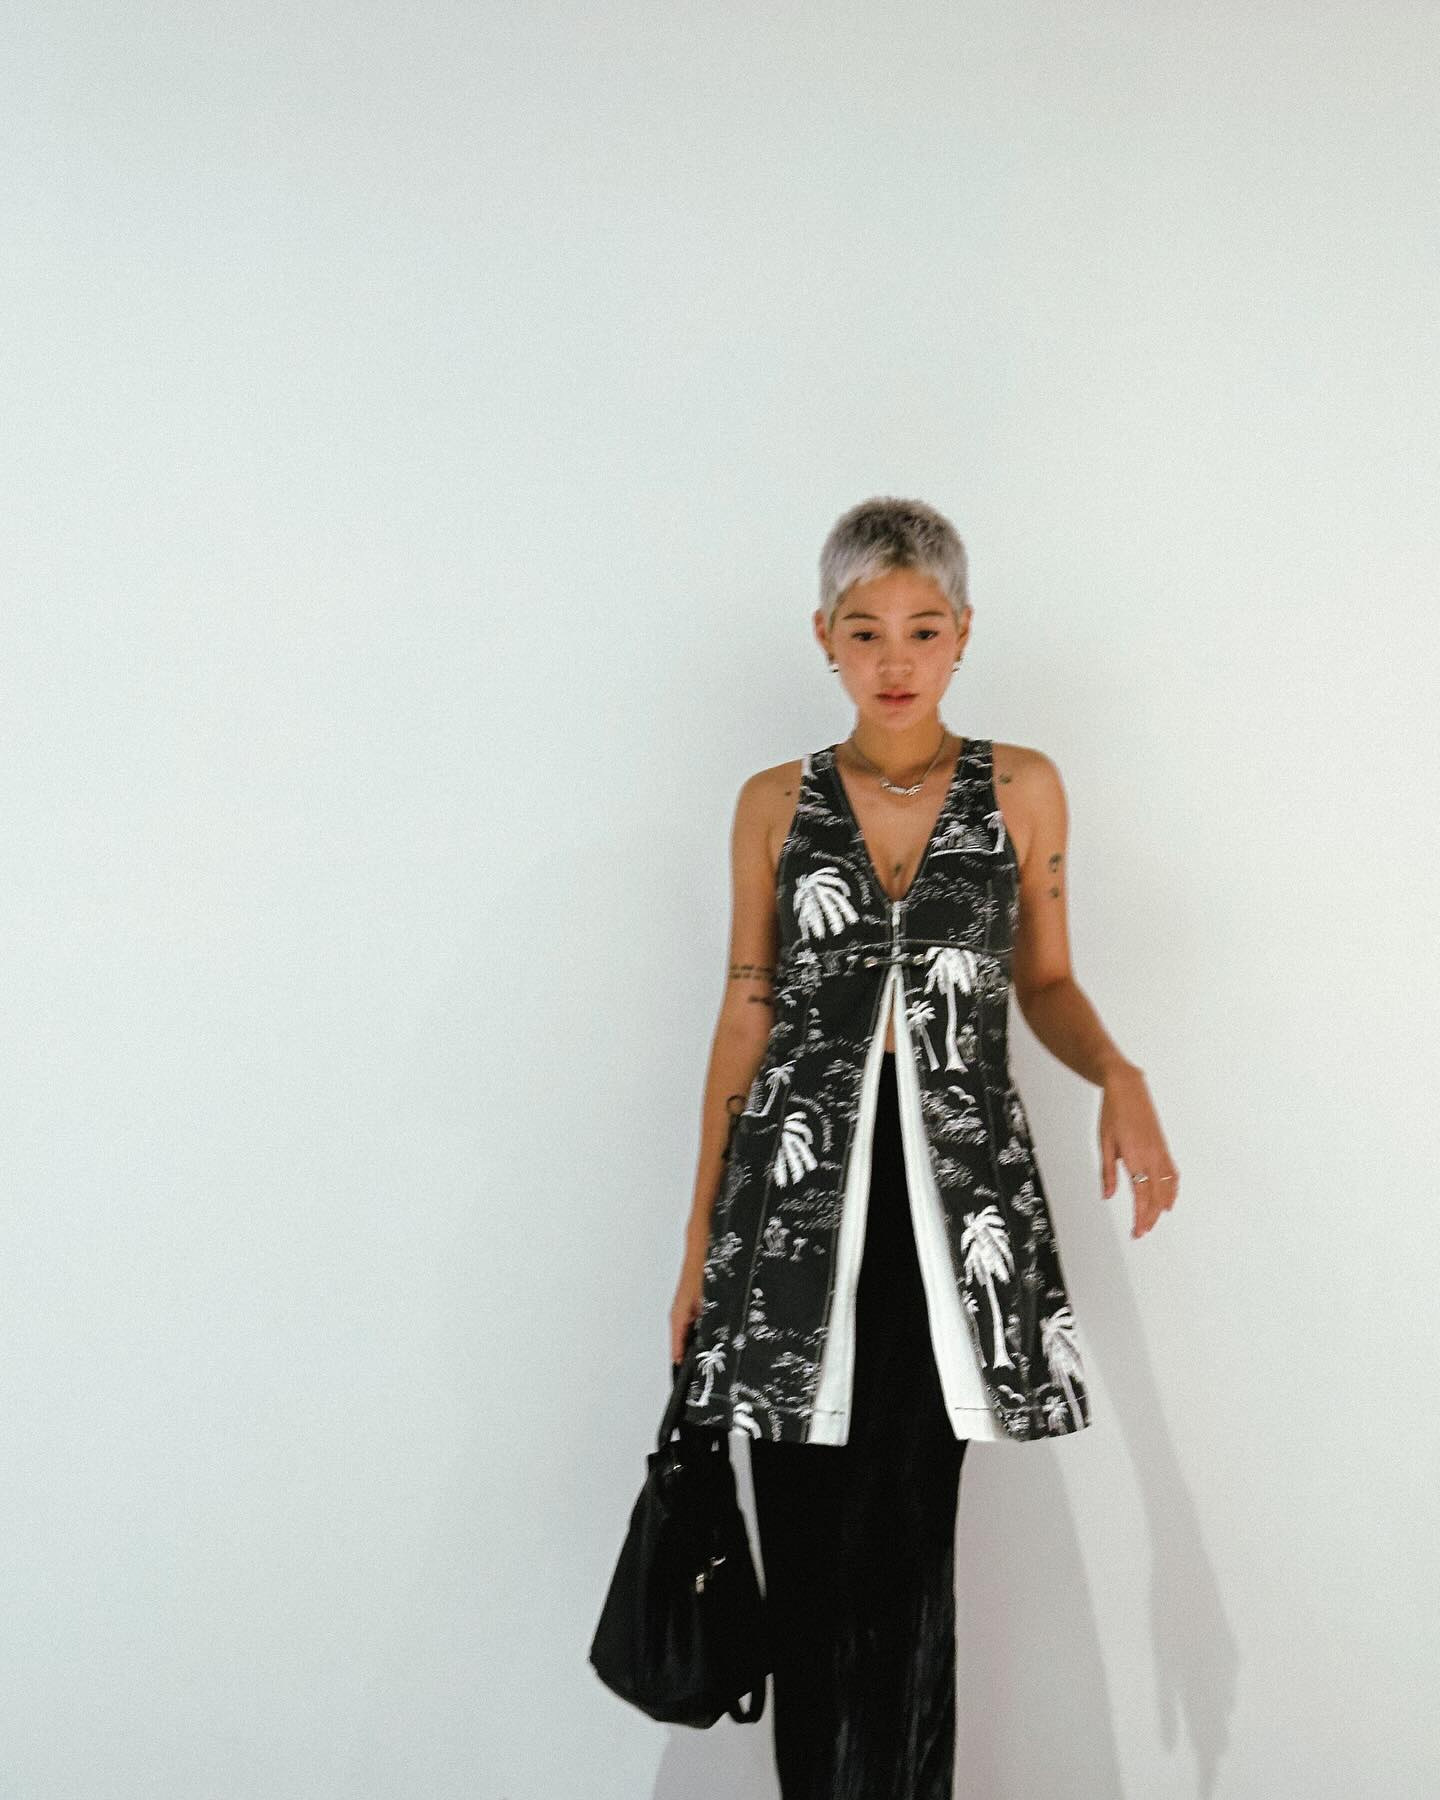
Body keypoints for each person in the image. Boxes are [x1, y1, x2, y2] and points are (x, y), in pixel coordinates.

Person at [668, 495, 1179, 1797]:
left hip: (952, 1214)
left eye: (923, 629)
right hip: (792, 1220)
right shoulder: (772, 804)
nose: (894, 660)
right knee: (801, 1566)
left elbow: (1043, 982)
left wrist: (1119, 1073)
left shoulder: (1021, 789)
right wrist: (698, 1254)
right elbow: (746, 1014)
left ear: (962, 635)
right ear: (824, 638)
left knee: (904, 1553)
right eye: (865, 631)